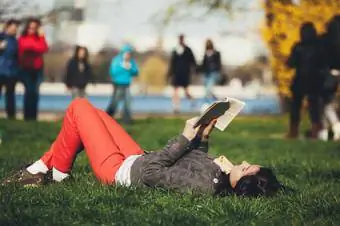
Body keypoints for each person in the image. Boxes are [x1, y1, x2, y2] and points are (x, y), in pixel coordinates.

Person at [2, 98, 282, 197]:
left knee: (78, 108)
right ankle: (41, 168)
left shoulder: (205, 186)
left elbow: (151, 172)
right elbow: (191, 160)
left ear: (241, 186)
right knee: (96, 115)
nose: (243, 162)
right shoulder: (217, 177)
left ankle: (56, 172)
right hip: (136, 158)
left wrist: (185, 137)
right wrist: (204, 136)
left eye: (245, 168)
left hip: (120, 171)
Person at [286, 22, 326, 139]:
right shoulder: (318, 46)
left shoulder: (299, 47)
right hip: (312, 80)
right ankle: (313, 132)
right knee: (313, 108)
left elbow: (290, 63)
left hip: (303, 79)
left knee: (298, 107)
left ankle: (295, 132)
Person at [18, 18, 49, 121]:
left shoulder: (39, 38)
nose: (32, 30)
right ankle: (27, 117)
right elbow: (27, 47)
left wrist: (41, 37)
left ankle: (33, 118)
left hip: (38, 69)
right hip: (26, 69)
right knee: (29, 92)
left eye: (34, 28)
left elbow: (44, 48)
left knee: (35, 93)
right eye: (30, 28)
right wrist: (37, 46)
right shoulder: (22, 38)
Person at [318, 16, 340, 141]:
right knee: (327, 103)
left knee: (326, 103)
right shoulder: (327, 40)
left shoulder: (325, 40)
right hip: (330, 73)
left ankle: (333, 128)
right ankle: (326, 131)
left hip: (329, 74)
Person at [106, 44, 138, 124]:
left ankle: (127, 120)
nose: (128, 55)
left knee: (128, 102)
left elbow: (136, 72)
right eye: (127, 53)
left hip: (127, 84)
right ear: (123, 53)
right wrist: (122, 67)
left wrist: (130, 68)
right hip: (117, 84)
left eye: (129, 53)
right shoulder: (116, 60)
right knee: (115, 102)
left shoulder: (132, 61)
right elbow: (113, 72)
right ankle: (107, 117)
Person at [168, 34, 197, 113]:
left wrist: (195, 70)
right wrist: (170, 73)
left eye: (181, 39)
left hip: (185, 73)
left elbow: (193, 61)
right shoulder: (175, 50)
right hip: (176, 73)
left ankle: (193, 101)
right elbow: (172, 63)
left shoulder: (188, 50)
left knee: (186, 91)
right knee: (175, 91)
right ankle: (176, 107)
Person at [0, 19, 20, 119]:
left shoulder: (15, 41)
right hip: (1, 71)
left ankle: (11, 116)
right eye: (13, 28)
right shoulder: (1, 37)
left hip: (11, 73)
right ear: (7, 27)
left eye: (16, 29)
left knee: (10, 96)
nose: (14, 30)